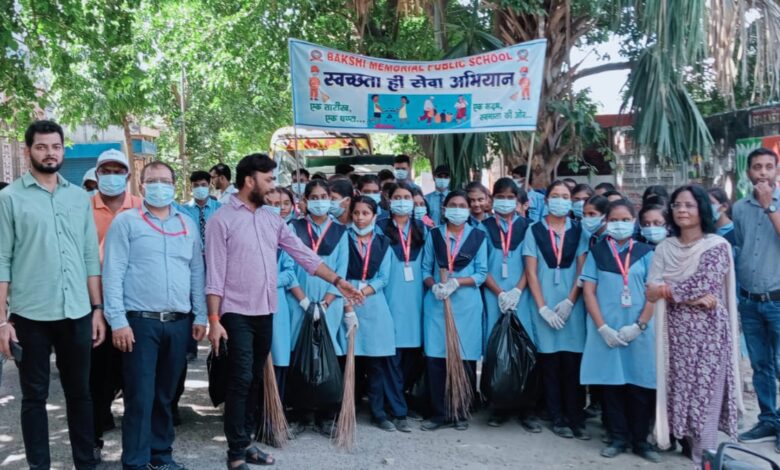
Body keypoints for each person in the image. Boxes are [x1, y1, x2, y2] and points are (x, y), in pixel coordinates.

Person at [205, 155, 362, 467]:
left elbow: (302, 254)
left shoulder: (270, 218)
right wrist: (213, 320)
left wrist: (339, 281)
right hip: (235, 312)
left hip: (266, 310)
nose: (274, 186)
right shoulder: (221, 220)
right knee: (240, 378)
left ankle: (247, 441)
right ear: (250, 180)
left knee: (253, 380)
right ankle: (235, 454)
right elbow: (214, 276)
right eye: (269, 179)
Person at [0, 120, 105, 470]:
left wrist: (97, 309)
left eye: (56, 147)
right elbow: (2, 261)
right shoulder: (9, 198)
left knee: (80, 394)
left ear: (63, 149)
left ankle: (85, 463)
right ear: (28, 149)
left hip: (76, 311)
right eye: (42, 147)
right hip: (30, 315)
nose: (50, 153)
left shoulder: (78, 197)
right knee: (34, 398)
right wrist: (3, 320)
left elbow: (90, 255)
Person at [102, 161, 206, 470]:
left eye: (165, 180)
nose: (159, 186)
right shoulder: (126, 223)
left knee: (165, 396)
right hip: (139, 324)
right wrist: (117, 321)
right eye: (152, 180)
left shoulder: (187, 224)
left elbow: (197, 272)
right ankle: (135, 461)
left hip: (178, 323)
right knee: (139, 396)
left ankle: (161, 456)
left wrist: (200, 315)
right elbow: (113, 272)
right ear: (142, 186)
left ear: (175, 186)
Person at [647, 184, 742, 465]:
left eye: (689, 205)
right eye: (677, 205)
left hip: (709, 336)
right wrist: (686, 297)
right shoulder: (665, 247)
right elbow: (651, 288)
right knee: (680, 395)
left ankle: (708, 457)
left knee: (705, 399)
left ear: (702, 208)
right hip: (674, 336)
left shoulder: (717, 246)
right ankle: (693, 451)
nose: (682, 210)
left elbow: (704, 283)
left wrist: (667, 291)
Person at [580, 200, 660, 462]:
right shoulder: (598, 253)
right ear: (606, 221)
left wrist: (639, 325)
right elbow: (588, 290)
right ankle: (617, 437)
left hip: (639, 330)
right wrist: (601, 326)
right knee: (611, 384)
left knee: (640, 384)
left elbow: (654, 293)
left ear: (634, 222)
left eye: (625, 219)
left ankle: (641, 441)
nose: (619, 224)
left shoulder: (647, 252)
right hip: (607, 329)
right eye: (614, 219)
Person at [523, 180, 589, 440]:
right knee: (549, 363)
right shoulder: (534, 230)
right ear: (546, 200)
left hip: (572, 306)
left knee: (572, 363)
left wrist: (571, 300)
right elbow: (531, 271)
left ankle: (575, 416)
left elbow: (583, 270)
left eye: (565, 196)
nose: (560, 200)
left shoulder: (579, 231)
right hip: (544, 304)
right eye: (555, 195)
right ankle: (557, 416)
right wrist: (542, 308)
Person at [287, 179, 350, 436]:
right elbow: (287, 267)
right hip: (298, 302)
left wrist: (325, 302)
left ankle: (327, 414)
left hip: (329, 304)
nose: (320, 201)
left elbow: (342, 272)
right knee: (299, 353)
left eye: (325, 196)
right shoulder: (293, 227)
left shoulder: (341, 232)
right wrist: (302, 300)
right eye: (314, 196)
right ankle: (302, 413)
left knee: (328, 355)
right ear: (305, 200)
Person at [90, 148, 143, 455]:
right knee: (97, 378)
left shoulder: (142, 207)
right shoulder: (83, 208)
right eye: (105, 172)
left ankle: (137, 448)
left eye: (117, 171)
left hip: (135, 305)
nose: (111, 177)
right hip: (94, 305)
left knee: (135, 379)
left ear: (128, 175)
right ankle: (94, 439)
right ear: (97, 176)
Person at [420, 190, 487, 431]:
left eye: (462, 205)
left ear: (468, 210)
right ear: (445, 209)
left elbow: (481, 273)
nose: (457, 209)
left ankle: (460, 412)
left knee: (464, 357)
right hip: (437, 304)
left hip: (466, 305)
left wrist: (458, 282)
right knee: (437, 359)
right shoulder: (434, 235)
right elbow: (425, 270)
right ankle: (439, 413)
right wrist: (434, 286)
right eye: (453, 205)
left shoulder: (478, 237)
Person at [343, 195, 410, 432]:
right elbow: (336, 269)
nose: (360, 218)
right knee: (347, 360)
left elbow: (384, 278)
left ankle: (378, 412)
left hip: (373, 303)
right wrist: (350, 292)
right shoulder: (343, 238)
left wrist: (364, 290)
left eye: (366, 213)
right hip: (346, 302)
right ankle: (345, 409)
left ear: (375, 216)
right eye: (357, 213)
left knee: (376, 362)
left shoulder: (384, 242)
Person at [732, 148, 780, 451]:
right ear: (748, 172)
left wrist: (769, 207)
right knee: (761, 365)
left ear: (776, 171)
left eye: (768, 167)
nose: (762, 173)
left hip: (778, 299)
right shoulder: (739, 208)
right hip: (749, 300)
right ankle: (768, 419)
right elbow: (740, 247)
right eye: (756, 168)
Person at [479, 178, 536, 430]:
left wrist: (516, 291)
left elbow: (530, 265)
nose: (505, 200)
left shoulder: (529, 228)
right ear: (492, 199)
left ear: (518, 200)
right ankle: (498, 406)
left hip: (522, 296)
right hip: (494, 297)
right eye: (500, 196)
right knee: (496, 349)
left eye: (510, 196)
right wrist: (500, 293)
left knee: (525, 349)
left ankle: (527, 408)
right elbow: (481, 266)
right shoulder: (482, 228)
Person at [376, 182, 427, 418]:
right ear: (389, 199)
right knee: (391, 356)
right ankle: (397, 409)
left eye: (407, 197)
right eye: (398, 197)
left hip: (416, 301)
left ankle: (399, 399)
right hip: (389, 299)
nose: (403, 201)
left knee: (413, 356)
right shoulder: (378, 228)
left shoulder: (423, 229)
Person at [180, 170, 222, 255]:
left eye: (203, 185)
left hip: (215, 254)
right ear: (191, 187)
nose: (199, 188)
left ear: (209, 186)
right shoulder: (183, 210)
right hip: (192, 255)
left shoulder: (220, 208)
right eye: (196, 185)